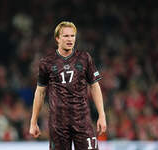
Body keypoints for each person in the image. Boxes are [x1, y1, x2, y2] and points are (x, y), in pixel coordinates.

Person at [29, 21, 107, 150]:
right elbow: (40, 92)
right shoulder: (47, 62)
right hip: (58, 123)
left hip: (82, 120)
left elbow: (94, 86)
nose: (70, 39)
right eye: (65, 36)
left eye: (72, 36)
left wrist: (102, 115)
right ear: (57, 38)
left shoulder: (84, 58)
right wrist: (33, 122)